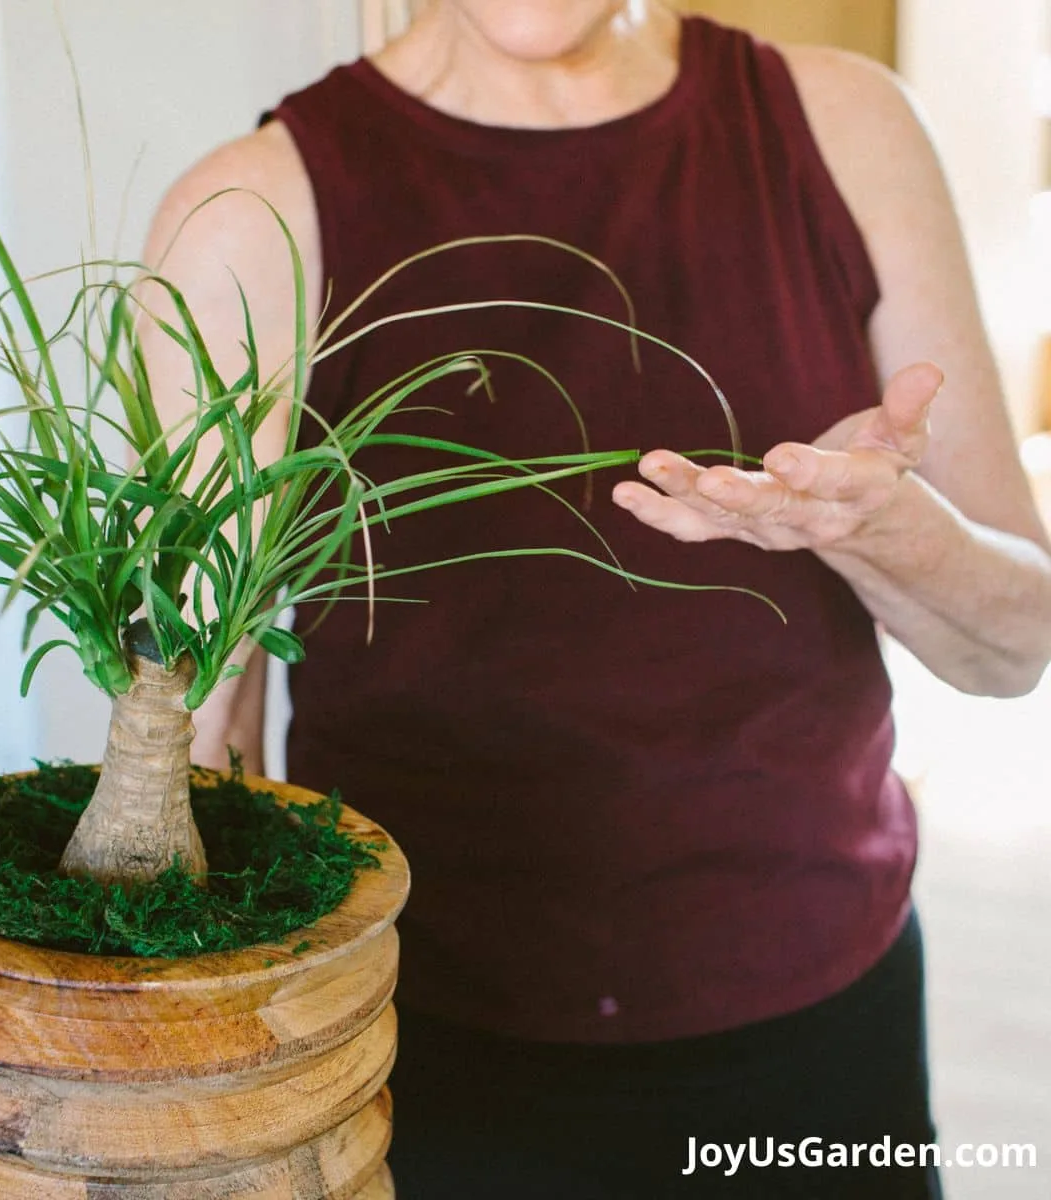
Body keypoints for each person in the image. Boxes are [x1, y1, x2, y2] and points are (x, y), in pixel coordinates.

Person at [140, 3, 1051, 1196]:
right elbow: (196, 751)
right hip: (431, 1040)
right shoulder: (251, 217)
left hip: (820, 1016)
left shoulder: (848, 128)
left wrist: (887, 533)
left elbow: (1015, 646)